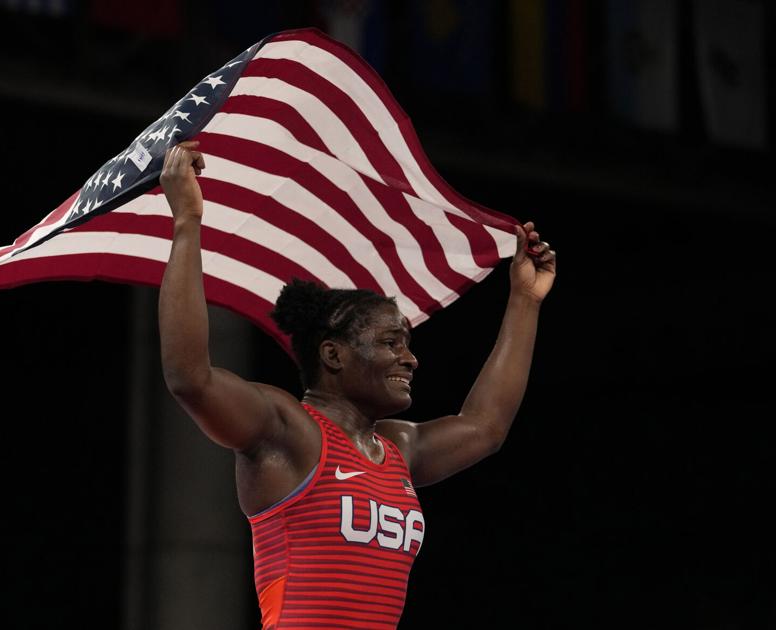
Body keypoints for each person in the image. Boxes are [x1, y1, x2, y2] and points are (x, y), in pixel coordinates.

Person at [158, 140, 557, 629]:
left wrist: (525, 300)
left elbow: (485, 426)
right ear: (333, 355)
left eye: (407, 344)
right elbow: (190, 379)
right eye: (391, 342)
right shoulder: (288, 431)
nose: (409, 358)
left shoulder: (398, 448)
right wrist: (186, 223)